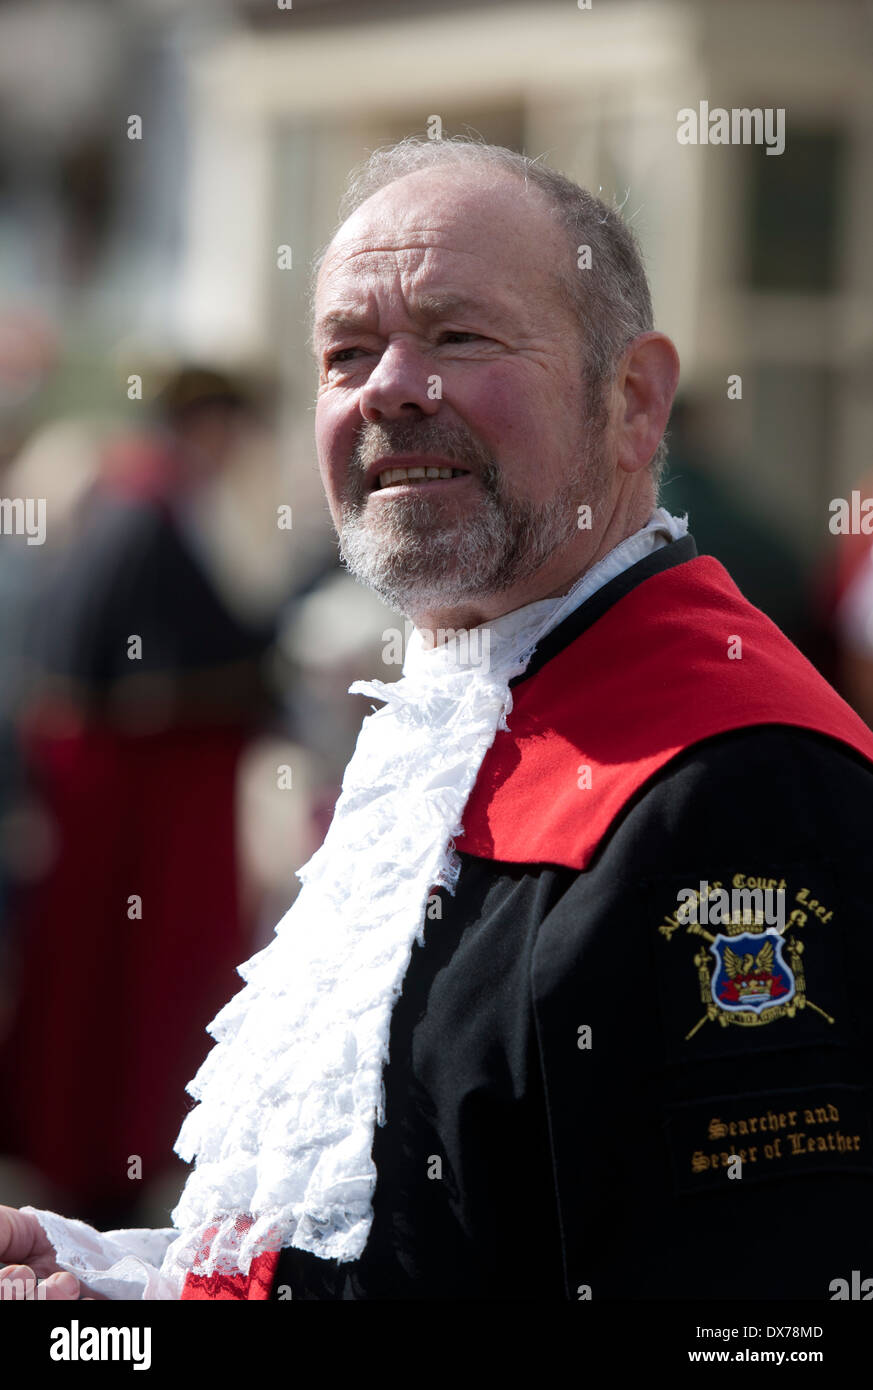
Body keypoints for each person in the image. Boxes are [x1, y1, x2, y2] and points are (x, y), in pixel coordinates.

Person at [2, 136, 873, 1302]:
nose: (390, 386)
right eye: (346, 352)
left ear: (634, 401)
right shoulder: (453, 719)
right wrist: (119, 1290)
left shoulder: (738, 786)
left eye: (460, 336)